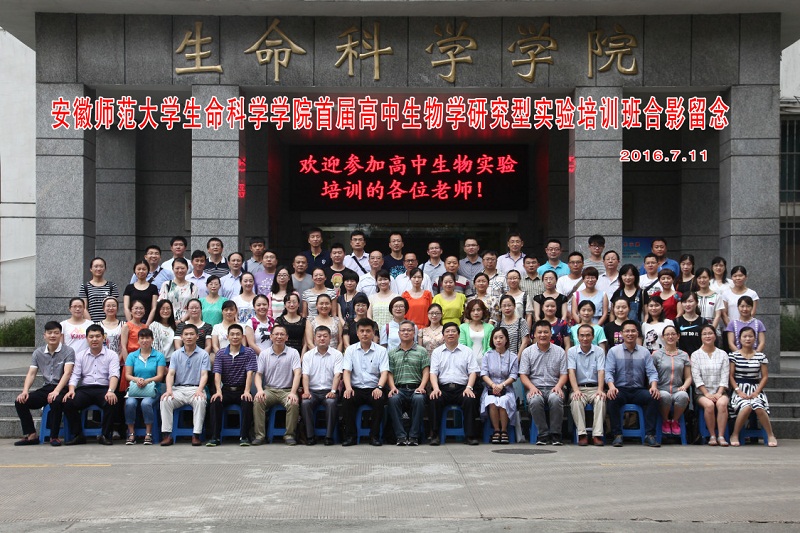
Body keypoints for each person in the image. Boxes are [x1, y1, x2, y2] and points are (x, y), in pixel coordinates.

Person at [13, 321, 75, 446]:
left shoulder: (68, 351)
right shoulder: (38, 352)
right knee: (20, 401)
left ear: (60, 335)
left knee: (56, 401)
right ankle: (31, 435)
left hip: (62, 388)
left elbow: (67, 373)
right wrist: (25, 391)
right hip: (47, 387)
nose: (53, 335)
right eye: (50, 333)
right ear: (44, 335)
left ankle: (54, 437)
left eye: (56, 333)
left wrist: (56, 391)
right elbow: (31, 374)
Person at [605, 319, 661, 447]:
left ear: (637, 333)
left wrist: (653, 386)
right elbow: (608, 372)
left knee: (653, 397)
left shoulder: (644, 352)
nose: (630, 334)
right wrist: (611, 387)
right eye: (627, 331)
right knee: (612, 398)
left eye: (633, 331)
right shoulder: (613, 351)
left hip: (638, 390)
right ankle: (617, 435)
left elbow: (652, 372)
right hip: (620, 389)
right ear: (621, 333)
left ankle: (649, 435)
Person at [62, 324, 120, 446]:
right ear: (86, 338)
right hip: (85, 389)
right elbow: (75, 375)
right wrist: (71, 390)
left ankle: (105, 435)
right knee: (68, 402)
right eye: (91, 336)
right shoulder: (80, 355)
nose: (94, 339)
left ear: (103, 337)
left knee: (112, 401)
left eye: (98, 336)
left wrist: (111, 391)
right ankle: (78, 435)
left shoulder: (112, 355)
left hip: (103, 388)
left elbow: (114, 375)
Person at [428, 322, 480, 446]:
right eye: (447, 331)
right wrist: (435, 388)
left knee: (470, 399)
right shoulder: (437, 352)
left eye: (453, 331)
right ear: (443, 335)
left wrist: (469, 387)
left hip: (462, 388)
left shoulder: (467, 351)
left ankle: (470, 436)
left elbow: (473, 372)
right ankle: (435, 435)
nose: (450, 334)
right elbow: (433, 373)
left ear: (458, 334)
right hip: (443, 389)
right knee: (434, 399)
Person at [159, 324, 210, 446]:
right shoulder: (176, 354)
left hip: (196, 388)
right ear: (181, 337)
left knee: (200, 400)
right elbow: (171, 374)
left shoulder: (203, 354)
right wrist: (169, 390)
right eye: (186, 334)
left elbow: (204, 375)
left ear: (197, 336)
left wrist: (200, 390)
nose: (189, 337)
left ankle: (196, 435)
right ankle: (167, 435)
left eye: (192, 334)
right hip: (179, 389)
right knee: (165, 400)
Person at [341, 318, 390, 446]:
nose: (365, 334)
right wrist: (348, 388)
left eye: (368, 331)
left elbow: (384, 372)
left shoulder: (381, 351)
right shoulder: (350, 350)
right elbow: (347, 371)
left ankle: (374, 436)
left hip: (374, 388)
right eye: (362, 331)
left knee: (379, 400)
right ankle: (351, 436)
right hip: (355, 388)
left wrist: (379, 387)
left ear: (373, 333)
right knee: (347, 399)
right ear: (357, 333)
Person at [206, 324, 257, 447]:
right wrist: (218, 391)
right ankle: (215, 437)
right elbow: (217, 373)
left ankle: (244, 436)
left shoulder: (249, 352)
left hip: (242, 389)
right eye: (232, 334)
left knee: (247, 401)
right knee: (215, 402)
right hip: (226, 389)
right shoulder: (221, 353)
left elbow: (250, 373)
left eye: (238, 334)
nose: (235, 337)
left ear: (242, 336)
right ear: (227, 337)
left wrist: (247, 391)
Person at [252, 324, 302, 446]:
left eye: (282, 334)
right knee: (258, 400)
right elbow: (258, 375)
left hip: (287, 390)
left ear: (287, 337)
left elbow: (297, 373)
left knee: (293, 402)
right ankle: (259, 435)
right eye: (276, 334)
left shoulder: (293, 353)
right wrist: (260, 390)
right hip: (270, 390)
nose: (279, 337)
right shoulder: (264, 354)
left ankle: (289, 435)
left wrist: (293, 392)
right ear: (271, 337)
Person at [519, 320, 568, 445]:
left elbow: (564, 374)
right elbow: (523, 375)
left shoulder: (560, 351)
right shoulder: (527, 352)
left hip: (554, 386)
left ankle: (556, 434)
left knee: (555, 399)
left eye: (546, 332)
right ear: (534, 335)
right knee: (535, 400)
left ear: (551, 333)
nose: (542, 335)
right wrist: (531, 387)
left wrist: (559, 386)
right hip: (535, 387)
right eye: (539, 332)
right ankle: (543, 435)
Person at [728, 327, 778, 447]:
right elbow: (730, 376)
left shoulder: (760, 356)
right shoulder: (734, 355)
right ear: (739, 339)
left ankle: (770, 434)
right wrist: (738, 391)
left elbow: (764, 377)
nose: (747, 339)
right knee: (746, 406)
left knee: (758, 406)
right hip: (738, 389)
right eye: (744, 336)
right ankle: (735, 434)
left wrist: (757, 392)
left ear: (755, 338)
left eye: (750, 336)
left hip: (756, 388)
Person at [387, 320, 430, 446]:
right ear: (398, 333)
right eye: (403, 330)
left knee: (419, 399)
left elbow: (426, 371)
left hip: (416, 388)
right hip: (399, 388)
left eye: (409, 330)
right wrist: (392, 387)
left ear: (414, 333)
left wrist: (422, 387)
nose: (406, 332)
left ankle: (414, 436)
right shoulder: (392, 353)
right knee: (393, 399)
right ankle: (400, 436)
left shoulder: (421, 351)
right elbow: (389, 373)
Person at [301, 326, 343, 446]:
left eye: (325, 336)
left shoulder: (337, 354)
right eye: (319, 336)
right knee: (305, 403)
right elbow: (305, 375)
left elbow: (337, 375)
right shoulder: (308, 355)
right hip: (313, 391)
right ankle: (310, 436)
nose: (322, 339)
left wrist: (333, 391)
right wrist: (306, 391)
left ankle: (329, 437)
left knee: (331, 402)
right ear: (314, 338)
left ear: (330, 338)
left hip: (329, 390)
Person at [123, 328, 166, 445]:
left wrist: (147, 381)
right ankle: (131, 433)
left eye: (147, 338)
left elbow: (160, 376)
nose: (144, 340)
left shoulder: (159, 356)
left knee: (146, 403)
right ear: (138, 340)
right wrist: (137, 380)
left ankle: (149, 433)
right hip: (135, 389)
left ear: (152, 339)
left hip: (153, 389)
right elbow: (127, 375)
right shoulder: (132, 356)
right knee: (129, 403)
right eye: (142, 338)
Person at [691, 324, 731, 446]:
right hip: (701, 393)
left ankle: (721, 436)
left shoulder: (723, 354)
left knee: (722, 404)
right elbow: (696, 377)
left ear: (715, 336)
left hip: (720, 391)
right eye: (704, 334)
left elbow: (725, 375)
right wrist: (706, 393)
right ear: (700, 337)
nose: (707, 336)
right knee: (709, 405)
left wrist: (719, 392)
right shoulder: (695, 355)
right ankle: (712, 435)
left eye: (710, 333)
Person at [567, 323, 606, 446]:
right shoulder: (572, 351)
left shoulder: (599, 351)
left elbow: (601, 371)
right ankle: (582, 434)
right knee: (576, 400)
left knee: (601, 399)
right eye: (582, 335)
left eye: (588, 335)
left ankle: (597, 435)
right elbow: (571, 371)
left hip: (595, 387)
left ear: (593, 337)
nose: (585, 338)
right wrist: (576, 390)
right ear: (577, 337)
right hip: (579, 387)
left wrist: (600, 389)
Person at [651, 325, 692, 439]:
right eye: (667, 334)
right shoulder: (656, 354)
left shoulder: (684, 355)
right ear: (663, 337)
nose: (670, 337)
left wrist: (684, 386)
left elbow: (688, 377)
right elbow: (651, 374)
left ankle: (674, 421)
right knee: (665, 396)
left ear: (678, 336)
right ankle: (665, 420)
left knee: (683, 396)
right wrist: (654, 387)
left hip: (677, 389)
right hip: (661, 389)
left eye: (673, 334)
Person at [480, 327, 519, 445]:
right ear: (492, 340)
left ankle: (504, 431)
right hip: (490, 388)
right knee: (491, 401)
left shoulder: (513, 356)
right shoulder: (487, 355)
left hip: (507, 388)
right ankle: (496, 430)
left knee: (503, 401)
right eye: (495, 338)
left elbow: (513, 375)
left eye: (501, 337)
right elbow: (484, 374)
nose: (498, 340)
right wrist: (493, 385)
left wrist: (502, 385)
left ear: (506, 339)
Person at [79, 257, 120, 323]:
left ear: (105, 269)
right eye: (96, 266)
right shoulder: (85, 286)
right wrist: (91, 324)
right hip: (92, 323)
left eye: (101, 266)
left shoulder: (112, 286)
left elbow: (114, 307)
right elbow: (84, 308)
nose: (98, 269)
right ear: (91, 269)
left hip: (108, 324)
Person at [159, 257, 198, 323]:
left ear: (187, 269)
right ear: (173, 269)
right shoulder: (167, 285)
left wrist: (181, 321)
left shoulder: (193, 287)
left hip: (187, 322)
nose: (180, 271)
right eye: (177, 268)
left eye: (182, 268)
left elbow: (193, 307)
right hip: (168, 321)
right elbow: (161, 304)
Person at [459, 299, 494, 367]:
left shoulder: (490, 327)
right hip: (468, 364)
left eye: (478, 310)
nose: (476, 313)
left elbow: (490, 347)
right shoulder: (463, 327)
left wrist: (486, 362)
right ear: (469, 312)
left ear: (483, 311)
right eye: (473, 310)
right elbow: (462, 346)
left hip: (485, 364)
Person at [695, 267, 725, 341]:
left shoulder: (717, 296)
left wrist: (710, 332)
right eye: (699, 278)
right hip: (696, 332)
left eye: (704, 277)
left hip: (713, 333)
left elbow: (718, 315)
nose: (702, 280)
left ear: (710, 278)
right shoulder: (693, 296)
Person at [123, 260, 158, 324]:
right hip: (131, 322)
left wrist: (147, 325)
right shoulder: (129, 288)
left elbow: (154, 308)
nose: (141, 271)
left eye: (144, 269)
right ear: (135, 271)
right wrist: (131, 324)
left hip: (148, 323)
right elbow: (126, 307)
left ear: (148, 271)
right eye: (139, 269)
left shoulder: (153, 288)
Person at [557, 252, 585, 317]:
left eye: (578, 262)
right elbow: (560, 300)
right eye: (572, 262)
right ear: (568, 264)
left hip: (584, 316)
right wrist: (567, 314)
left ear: (583, 264)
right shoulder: (561, 280)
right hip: (566, 316)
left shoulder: (587, 280)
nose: (575, 265)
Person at [120, 299, 147, 366]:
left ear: (144, 311)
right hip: (131, 359)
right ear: (131, 311)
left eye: (141, 308)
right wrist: (128, 364)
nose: (139, 310)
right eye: (136, 308)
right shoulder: (126, 326)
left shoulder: (145, 326)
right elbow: (123, 347)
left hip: (143, 359)